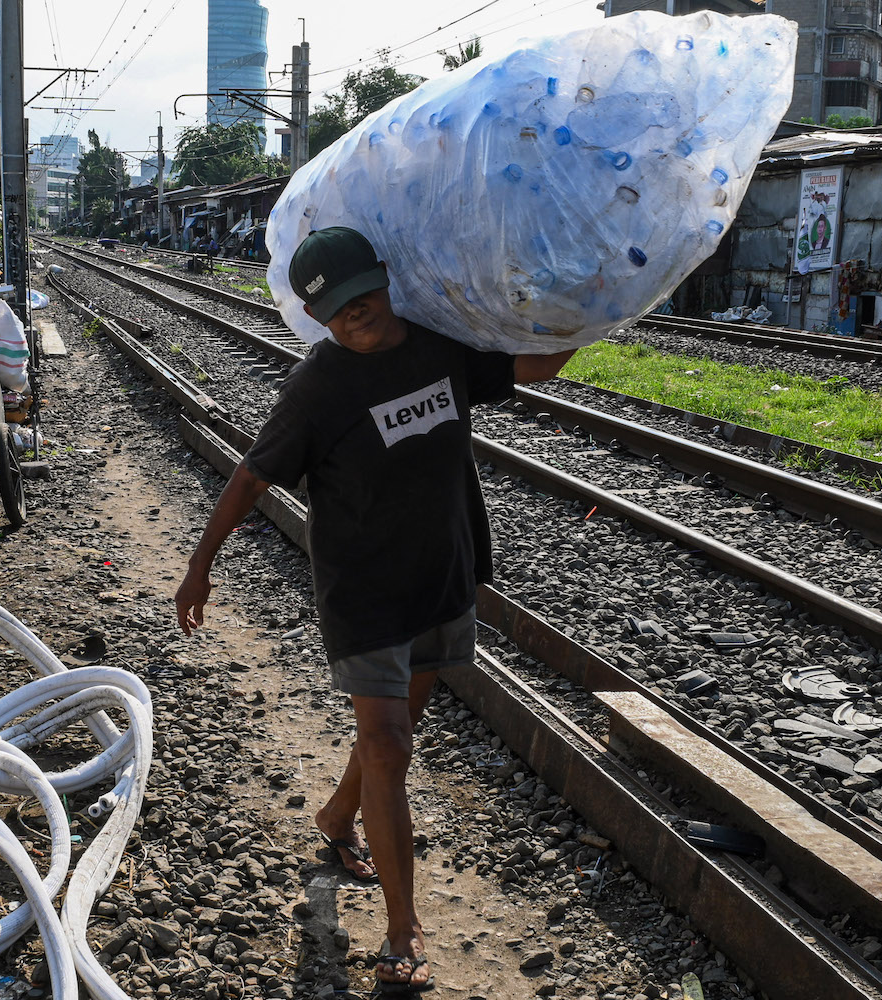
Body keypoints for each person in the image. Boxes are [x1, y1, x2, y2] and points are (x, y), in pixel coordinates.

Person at [174, 227, 575, 992]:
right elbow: (252, 478)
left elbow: (540, 364)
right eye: (334, 309)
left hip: (441, 576)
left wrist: (602, 307)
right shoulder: (318, 387)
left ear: (384, 281)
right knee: (389, 744)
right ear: (317, 316)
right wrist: (200, 567)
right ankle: (403, 931)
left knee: (396, 733)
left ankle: (335, 819)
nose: (354, 315)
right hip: (363, 591)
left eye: (362, 296)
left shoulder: (439, 348)